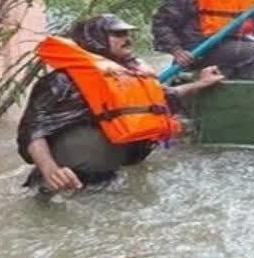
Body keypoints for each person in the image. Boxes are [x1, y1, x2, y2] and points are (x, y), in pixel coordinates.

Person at [17, 15, 224, 194]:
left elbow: (163, 98)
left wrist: (201, 83)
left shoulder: (128, 76)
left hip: (110, 177)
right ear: (95, 39)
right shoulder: (61, 81)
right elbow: (33, 129)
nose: (127, 39)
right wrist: (49, 169)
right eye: (118, 34)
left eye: (127, 34)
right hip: (63, 180)